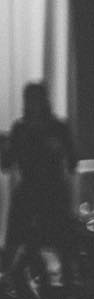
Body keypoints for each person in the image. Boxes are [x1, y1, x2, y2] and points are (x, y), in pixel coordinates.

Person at [1, 82, 78, 267]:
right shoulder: (21, 129)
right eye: (29, 100)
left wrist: (58, 149)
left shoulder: (56, 128)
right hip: (33, 191)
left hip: (52, 191)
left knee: (61, 243)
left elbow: (73, 160)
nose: (32, 104)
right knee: (17, 240)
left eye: (35, 100)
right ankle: (11, 276)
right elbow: (6, 164)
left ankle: (65, 281)